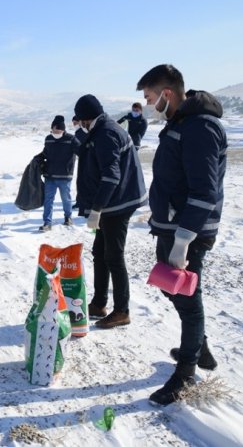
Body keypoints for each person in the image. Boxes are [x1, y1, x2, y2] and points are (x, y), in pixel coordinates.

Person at [136, 64, 226, 406]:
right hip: (174, 226)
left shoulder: (200, 127)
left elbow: (205, 191)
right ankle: (199, 346)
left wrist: (185, 240)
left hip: (190, 231)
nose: (148, 103)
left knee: (189, 298)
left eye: (149, 97)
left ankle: (186, 372)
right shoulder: (181, 122)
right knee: (172, 287)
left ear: (166, 94)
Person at [73, 94, 147, 329]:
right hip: (111, 203)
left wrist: (96, 209)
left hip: (118, 204)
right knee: (100, 252)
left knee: (114, 256)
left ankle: (122, 310)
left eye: (80, 120)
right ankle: (99, 302)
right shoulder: (99, 130)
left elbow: (111, 176)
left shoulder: (106, 133)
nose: (79, 125)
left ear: (86, 118)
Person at [39, 115, 80, 230]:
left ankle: (68, 217)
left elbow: (81, 151)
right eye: (54, 130)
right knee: (48, 200)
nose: (56, 132)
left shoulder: (71, 139)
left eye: (58, 130)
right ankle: (47, 223)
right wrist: (38, 159)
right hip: (50, 175)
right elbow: (45, 153)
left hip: (65, 175)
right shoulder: (48, 138)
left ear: (63, 130)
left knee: (66, 198)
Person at [71, 116, 88, 211]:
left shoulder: (85, 132)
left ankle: (84, 202)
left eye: (75, 123)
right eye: (73, 123)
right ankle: (79, 201)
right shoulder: (78, 132)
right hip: (82, 160)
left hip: (88, 161)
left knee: (85, 182)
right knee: (80, 181)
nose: (74, 125)